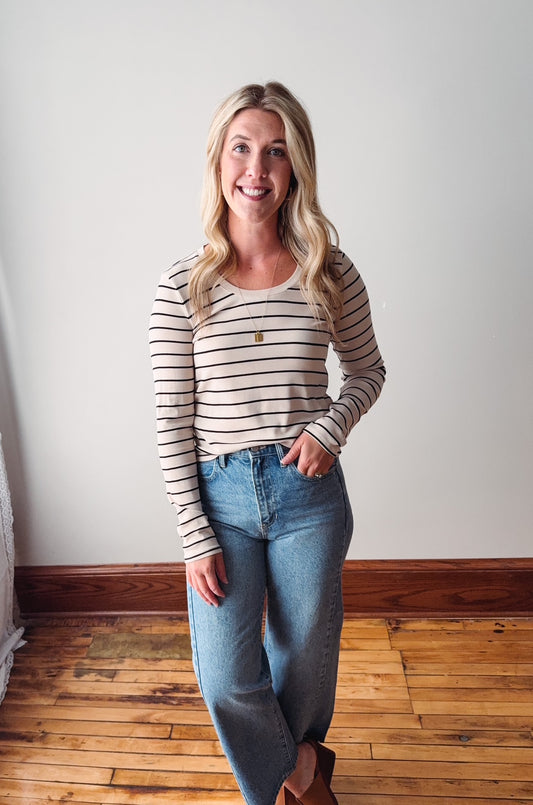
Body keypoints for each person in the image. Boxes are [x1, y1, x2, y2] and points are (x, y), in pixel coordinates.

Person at [150, 81, 385, 805]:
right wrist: (194, 534)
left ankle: (290, 775)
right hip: (218, 496)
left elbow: (367, 370)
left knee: (304, 656)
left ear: (295, 170)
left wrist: (329, 426)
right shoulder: (181, 287)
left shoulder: (328, 270)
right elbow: (170, 421)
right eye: (242, 147)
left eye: (276, 152)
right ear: (219, 161)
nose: (257, 167)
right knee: (226, 673)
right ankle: (301, 771)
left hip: (306, 491)